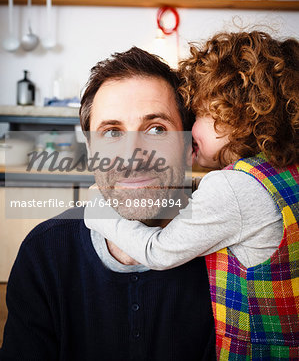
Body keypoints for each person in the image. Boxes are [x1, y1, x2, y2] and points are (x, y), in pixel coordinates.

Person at [85, 32, 299, 360]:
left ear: (237, 116)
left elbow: (157, 252)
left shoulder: (232, 189)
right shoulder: (284, 173)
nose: (191, 126)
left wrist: (98, 212)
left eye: (199, 114)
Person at [0, 47, 216, 361]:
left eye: (156, 129)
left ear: (188, 147)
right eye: (111, 132)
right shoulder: (44, 254)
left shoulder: (228, 251)